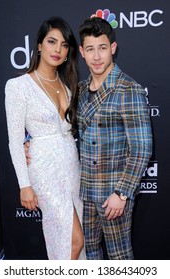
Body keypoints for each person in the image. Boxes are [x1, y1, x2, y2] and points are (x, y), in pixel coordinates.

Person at [5, 17, 84, 260]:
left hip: (72, 167)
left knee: (74, 241)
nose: (57, 50)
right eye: (51, 42)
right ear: (39, 45)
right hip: (44, 170)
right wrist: (24, 185)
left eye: (64, 45)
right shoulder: (18, 86)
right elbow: (15, 140)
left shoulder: (68, 85)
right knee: (73, 241)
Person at [74, 17, 152, 259]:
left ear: (113, 49)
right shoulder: (79, 89)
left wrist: (122, 194)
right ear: (81, 52)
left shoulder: (129, 89)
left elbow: (141, 148)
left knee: (119, 258)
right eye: (90, 49)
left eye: (103, 48)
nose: (97, 56)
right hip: (86, 191)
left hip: (114, 195)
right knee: (91, 255)